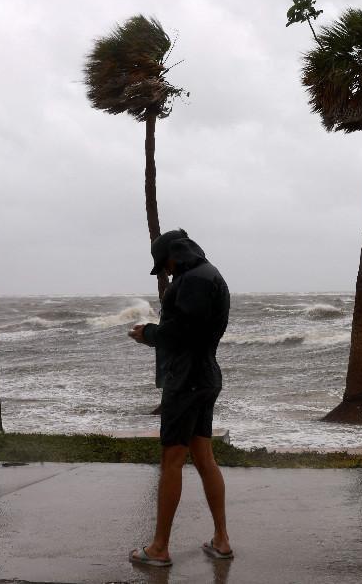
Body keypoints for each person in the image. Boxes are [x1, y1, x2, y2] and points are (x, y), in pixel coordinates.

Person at [127, 229, 233, 567]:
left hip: (186, 381)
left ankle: (159, 548)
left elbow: (183, 331)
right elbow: (196, 329)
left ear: (175, 254)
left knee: (172, 460)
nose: (166, 272)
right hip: (204, 376)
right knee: (204, 456)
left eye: (165, 265)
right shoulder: (209, 274)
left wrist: (149, 334)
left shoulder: (194, 280)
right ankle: (221, 540)